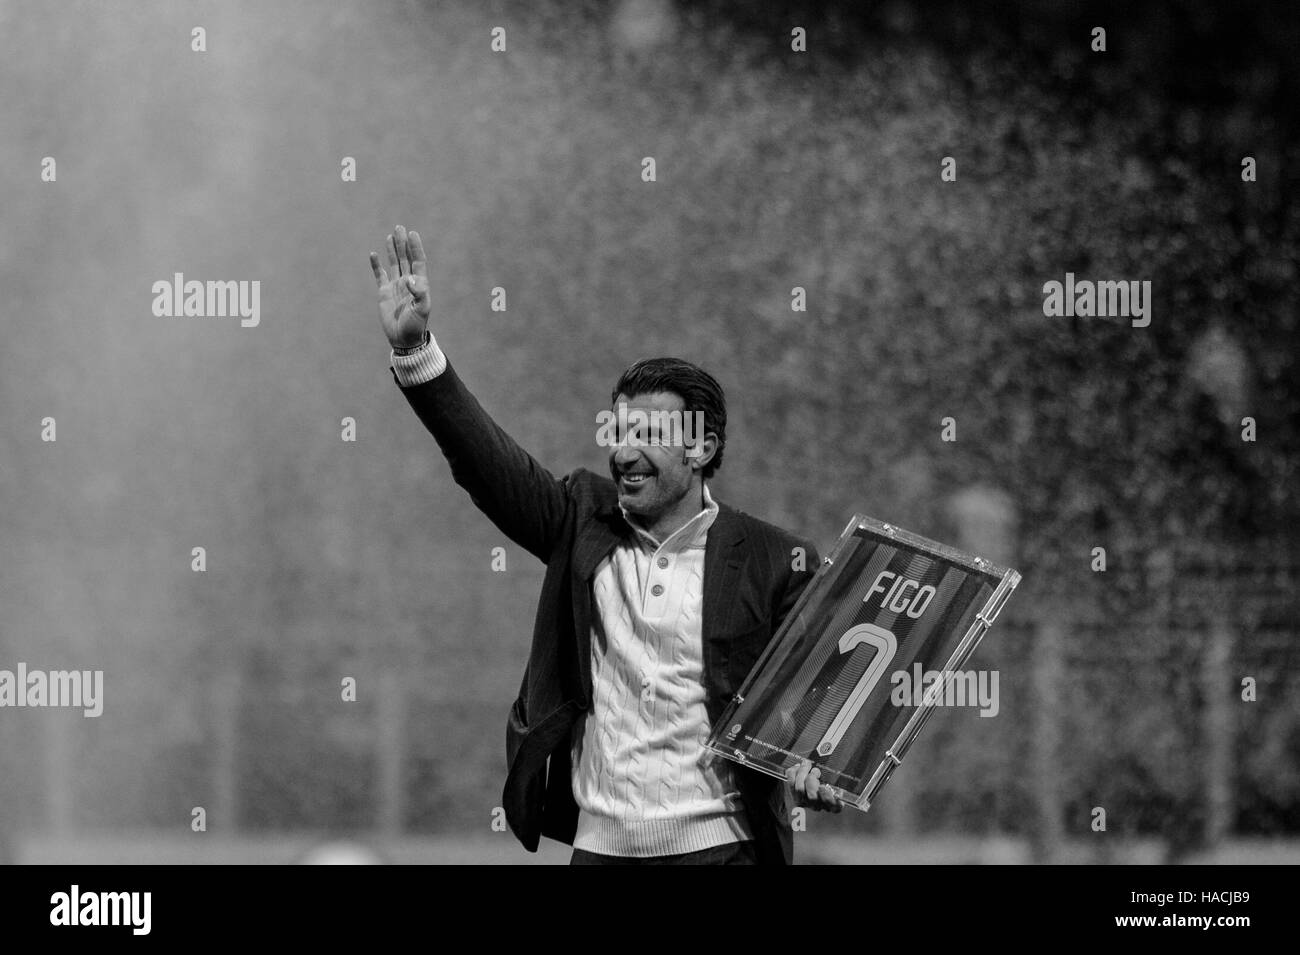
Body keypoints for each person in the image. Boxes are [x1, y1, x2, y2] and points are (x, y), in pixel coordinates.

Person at [370, 224, 841, 865]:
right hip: (600, 851)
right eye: (617, 431)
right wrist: (419, 353)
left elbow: (803, 701)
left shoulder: (773, 558)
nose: (622, 451)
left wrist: (815, 758)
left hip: (722, 850)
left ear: (699, 448)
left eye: (646, 432)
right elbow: (485, 462)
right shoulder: (580, 520)